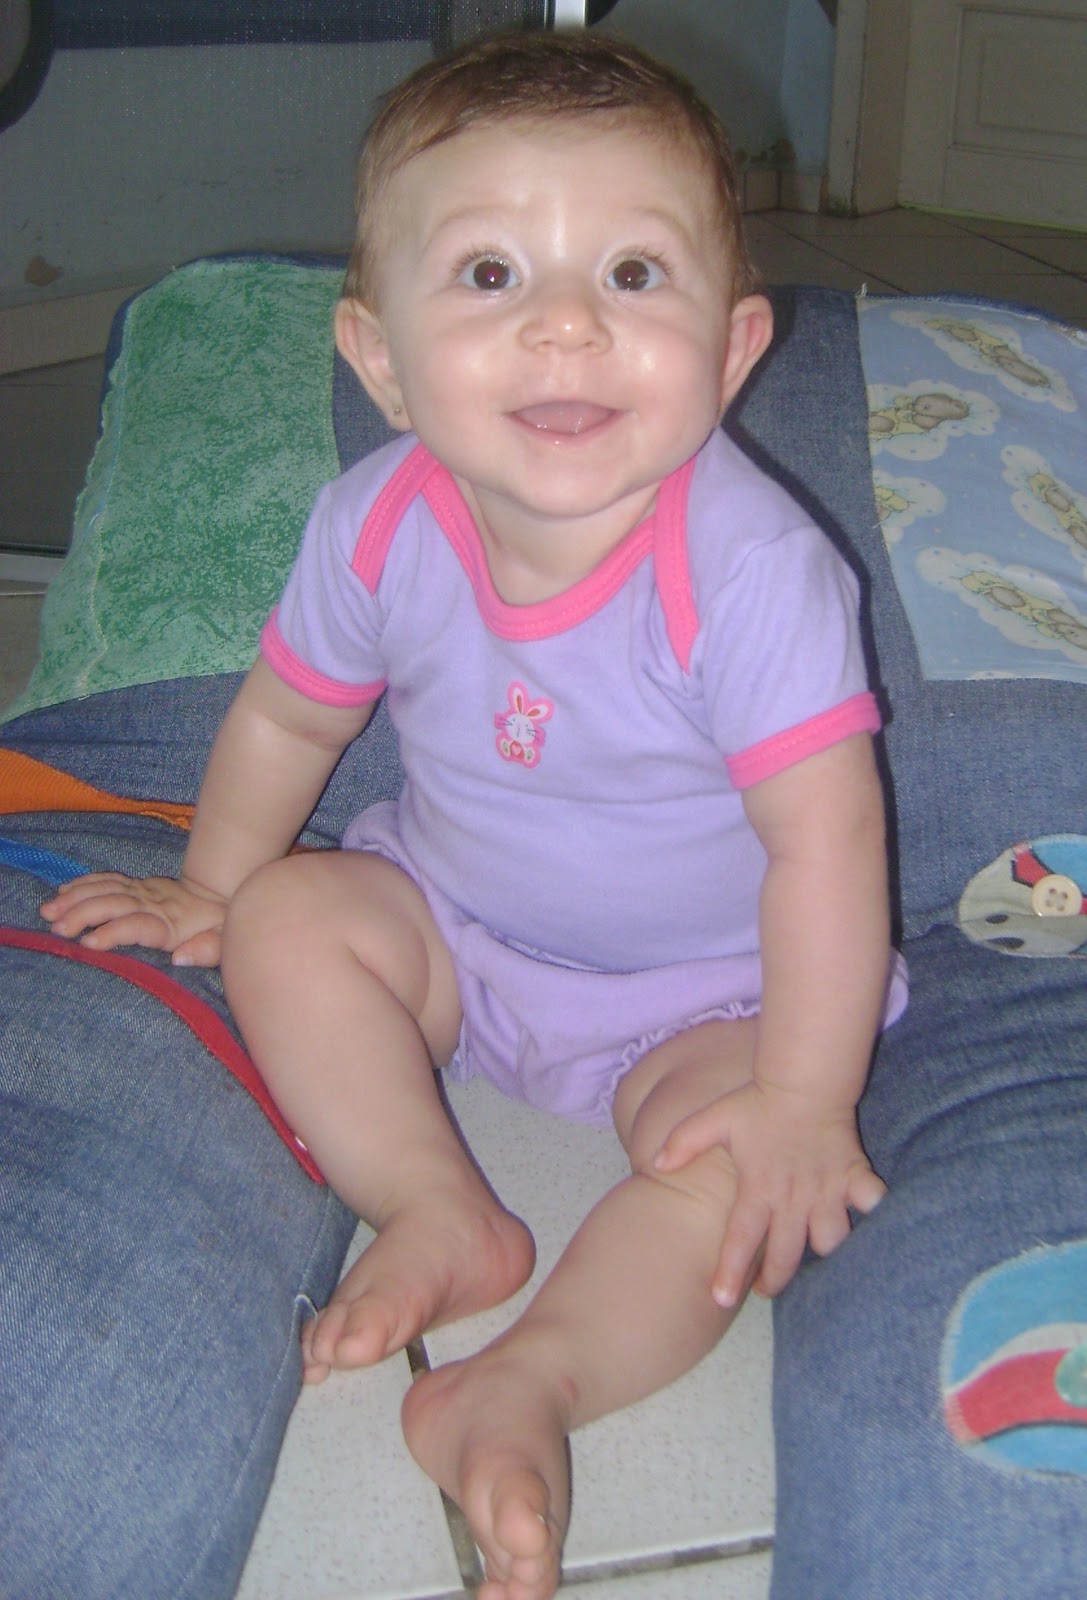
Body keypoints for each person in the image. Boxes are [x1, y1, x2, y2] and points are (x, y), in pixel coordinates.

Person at [41, 31, 906, 1600]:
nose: (567, 323)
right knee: (290, 920)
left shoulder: (753, 571)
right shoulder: (375, 524)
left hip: (709, 997)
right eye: (492, 274)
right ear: (380, 361)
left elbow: (827, 843)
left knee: (733, 1163)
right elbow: (289, 717)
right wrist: (216, 885)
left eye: (634, 274)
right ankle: (438, 1208)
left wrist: (802, 1091)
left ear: (731, 353)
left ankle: (532, 1381)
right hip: (454, 931)